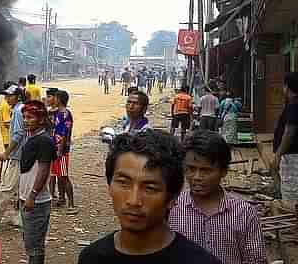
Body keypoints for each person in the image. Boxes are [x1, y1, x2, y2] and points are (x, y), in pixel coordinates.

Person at [78, 132, 222, 264]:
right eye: (123, 183)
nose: (133, 201)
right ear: (110, 186)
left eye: (149, 188)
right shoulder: (92, 258)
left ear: (172, 198)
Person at [169, 131, 267, 264]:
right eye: (191, 169)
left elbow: (256, 260)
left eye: (206, 170)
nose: (197, 177)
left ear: (224, 171)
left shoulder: (244, 213)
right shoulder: (172, 208)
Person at [18, 101, 56, 264]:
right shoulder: (32, 137)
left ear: (41, 120)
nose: (26, 120)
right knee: (31, 243)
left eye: (30, 117)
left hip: (37, 201)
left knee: (35, 247)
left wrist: (32, 195)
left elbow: (43, 170)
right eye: (25, 117)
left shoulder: (44, 140)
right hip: (27, 198)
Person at [0, 85, 26, 227]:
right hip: (25, 154)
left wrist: (7, 153)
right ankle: (19, 218)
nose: (6, 98)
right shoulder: (22, 108)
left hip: (18, 156)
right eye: (5, 95)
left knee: (6, 189)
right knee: (21, 189)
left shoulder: (18, 111)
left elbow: (18, 134)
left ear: (17, 96)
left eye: (9, 95)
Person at [272, 72, 298, 211]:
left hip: (291, 156)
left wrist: (278, 154)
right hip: (292, 155)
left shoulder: (294, 105)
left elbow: (289, 132)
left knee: (291, 194)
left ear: (287, 87)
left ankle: (291, 228)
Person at [50, 90, 75, 211]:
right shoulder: (57, 113)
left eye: (54, 97)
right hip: (55, 148)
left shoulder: (65, 114)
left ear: (59, 99)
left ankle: (71, 203)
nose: (53, 99)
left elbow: (64, 134)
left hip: (62, 150)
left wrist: (59, 150)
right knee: (58, 175)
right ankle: (61, 198)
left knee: (64, 176)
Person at [0, 83, 15, 151]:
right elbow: (7, 123)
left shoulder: (6, 104)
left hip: (8, 138)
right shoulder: (5, 105)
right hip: (9, 138)